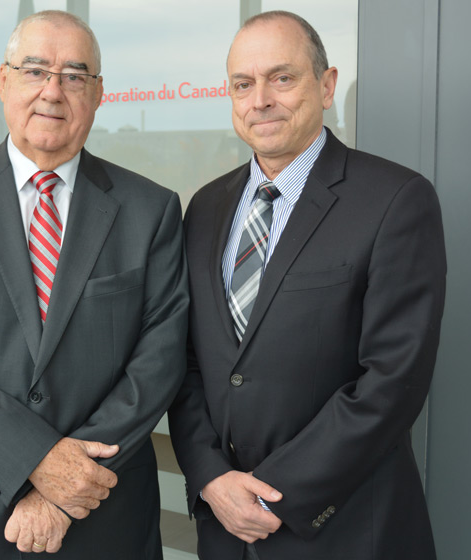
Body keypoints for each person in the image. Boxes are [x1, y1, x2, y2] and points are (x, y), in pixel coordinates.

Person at [0, 9, 188, 559]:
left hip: (101, 507)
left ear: (98, 94)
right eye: (34, 71)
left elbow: (159, 358)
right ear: (4, 81)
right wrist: (38, 461)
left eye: (74, 75)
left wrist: (68, 484)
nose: (53, 90)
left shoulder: (151, 210)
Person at [168, 10, 446, 560]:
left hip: (346, 530)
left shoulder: (395, 199)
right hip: (225, 529)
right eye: (242, 84)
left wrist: (276, 493)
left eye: (282, 77)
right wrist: (210, 478)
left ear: (326, 84)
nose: (260, 100)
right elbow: (188, 361)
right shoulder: (205, 207)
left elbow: (392, 380)